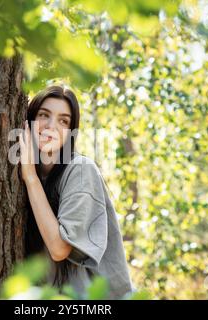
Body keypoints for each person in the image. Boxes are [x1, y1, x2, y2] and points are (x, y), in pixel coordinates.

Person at [19, 85, 136, 299]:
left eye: (63, 121)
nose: (51, 126)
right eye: (44, 115)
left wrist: (30, 177)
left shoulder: (80, 170)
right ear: (27, 122)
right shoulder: (27, 175)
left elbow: (59, 248)